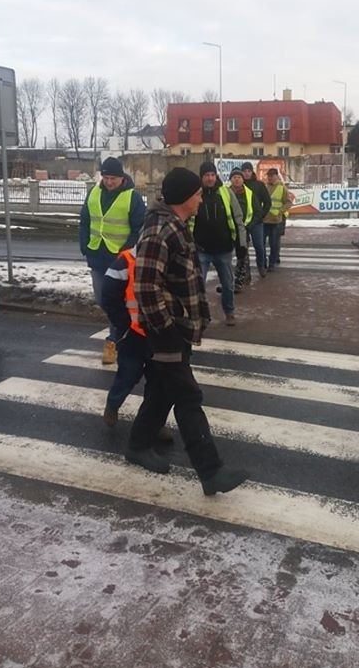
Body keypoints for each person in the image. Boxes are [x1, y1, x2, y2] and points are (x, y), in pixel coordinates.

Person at [126, 166, 249, 495]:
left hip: (178, 327)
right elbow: (146, 286)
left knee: (162, 391)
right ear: (183, 197)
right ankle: (211, 472)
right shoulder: (159, 230)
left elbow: (185, 280)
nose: (200, 198)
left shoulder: (175, 224)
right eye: (196, 194)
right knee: (187, 395)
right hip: (167, 331)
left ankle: (137, 445)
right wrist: (166, 328)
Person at [99, 248, 173, 441]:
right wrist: (123, 324)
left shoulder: (171, 258)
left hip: (160, 334)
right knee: (128, 375)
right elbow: (107, 296)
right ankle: (113, 404)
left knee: (158, 384)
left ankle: (153, 425)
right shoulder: (126, 260)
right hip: (132, 335)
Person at [79, 157, 145, 364]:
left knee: (118, 302)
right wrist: (84, 246)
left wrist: (126, 253)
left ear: (122, 178)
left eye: (113, 178)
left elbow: (139, 229)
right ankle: (125, 332)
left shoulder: (132, 197)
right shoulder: (94, 193)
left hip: (120, 261)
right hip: (97, 256)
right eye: (105, 177)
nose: (108, 182)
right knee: (103, 300)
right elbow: (84, 221)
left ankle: (113, 341)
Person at [193, 161, 247, 326]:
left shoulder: (226, 192)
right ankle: (201, 316)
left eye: (212, 175)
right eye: (206, 175)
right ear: (201, 177)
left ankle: (229, 312)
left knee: (228, 284)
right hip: (201, 249)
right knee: (198, 286)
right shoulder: (196, 194)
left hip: (224, 249)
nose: (210, 178)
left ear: (216, 175)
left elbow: (238, 219)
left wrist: (241, 244)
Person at [229, 167, 263, 291]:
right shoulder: (226, 193)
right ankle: (230, 279)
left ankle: (240, 279)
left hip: (244, 230)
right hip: (228, 230)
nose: (236, 180)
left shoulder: (249, 193)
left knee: (243, 255)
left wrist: (249, 226)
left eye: (239, 177)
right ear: (230, 180)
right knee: (227, 256)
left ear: (243, 180)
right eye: (234, 177)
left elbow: (257, 212)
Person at [241, 162, 271, 277]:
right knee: (244, 248)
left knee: (259, 246)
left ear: (252, 172)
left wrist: (261, 215)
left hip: (257, 222)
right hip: (243, 222)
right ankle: (246, 271)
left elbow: (267, 202)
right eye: (244, 171)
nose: (246, 173)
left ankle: (261, 266)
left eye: (249, 171)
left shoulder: (259, 185)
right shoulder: (239, 185)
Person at [263, 168, 293, 271]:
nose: (270, 178)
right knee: (261, 243)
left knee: (274, 243)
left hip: (276, 220)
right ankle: (264, 262)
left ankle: (272, 263)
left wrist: (280, 211)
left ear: (276, 176)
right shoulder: (265, 187)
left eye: (272, 176)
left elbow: (288, 202)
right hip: (265, 220)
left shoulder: (282, 187)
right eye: (269, 176)